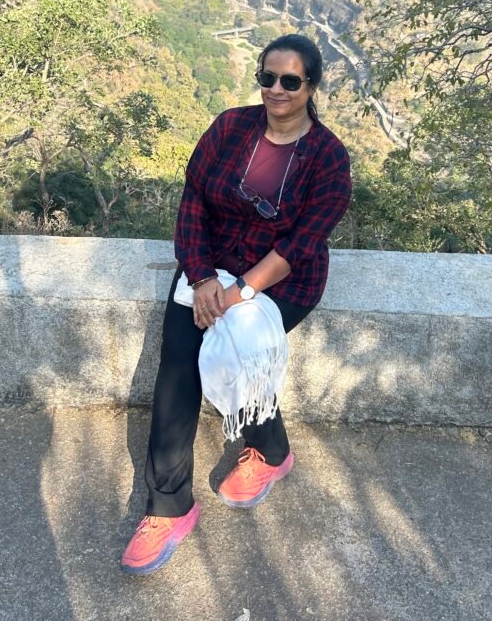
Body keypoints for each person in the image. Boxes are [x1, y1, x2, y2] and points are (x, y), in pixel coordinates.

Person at [121, 34, 352, 576]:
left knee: (238, 351)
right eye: (267, 77)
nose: (276, 90)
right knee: (178, 367)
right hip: (209, 265)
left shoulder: (327, 157)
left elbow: (301, 244)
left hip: (281, 280)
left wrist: (239, 292)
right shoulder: (229, 127)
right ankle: (168, 506)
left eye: (290, 81)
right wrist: (201, 277)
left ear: (311, 86)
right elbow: (195, 199)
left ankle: (270, 452)